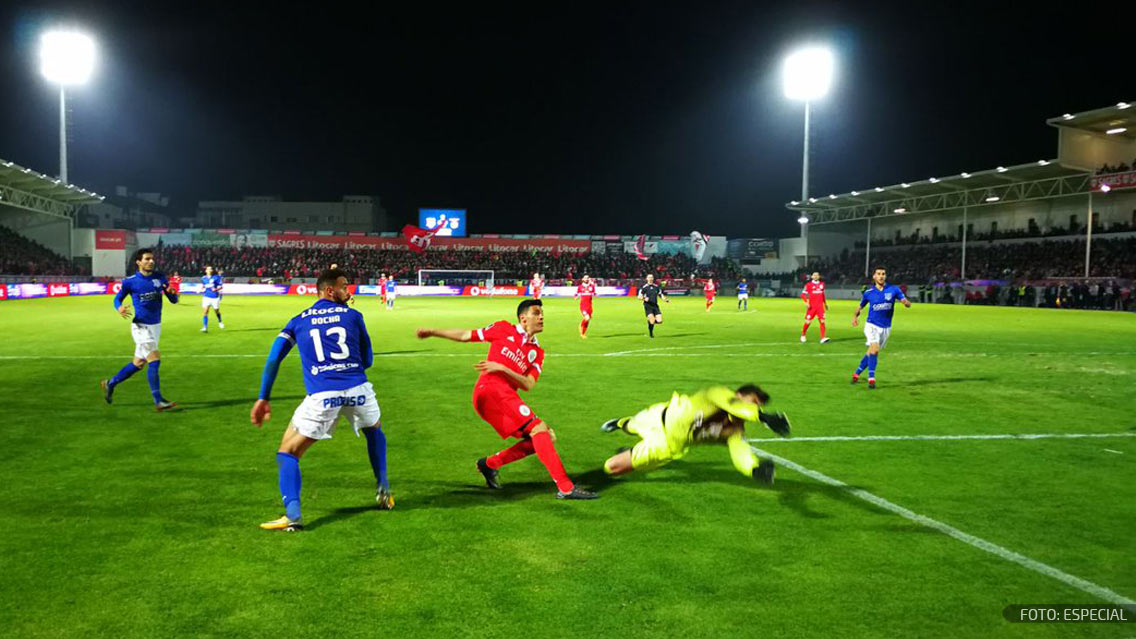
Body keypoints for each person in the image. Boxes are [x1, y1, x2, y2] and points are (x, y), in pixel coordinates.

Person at [252, 268, 391, 532]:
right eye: (344, 287)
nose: (348, 292)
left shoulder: (299, 320)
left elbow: (273, 359)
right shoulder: (353, 315)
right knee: (374, 429)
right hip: (359, 388)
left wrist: (263, 398)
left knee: (287, 452)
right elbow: (368, 360)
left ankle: (292, 515)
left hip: (323, 395)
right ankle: (383, 488)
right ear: (330, 291)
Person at [416, 300, 598, 500]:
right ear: (523, 318)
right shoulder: (502, 328)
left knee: (546, 436)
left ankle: (490, 464)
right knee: (538, 429)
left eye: (542, 313)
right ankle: (565, 487)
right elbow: (467, 335)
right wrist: (433, 331)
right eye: (536, 313)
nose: (541, 317)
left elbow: (528, 384)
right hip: (489, 390)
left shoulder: (537, 353)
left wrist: (503, 368)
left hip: (505, 396)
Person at [599, 385, 789, 483]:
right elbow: (734, 405)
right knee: (631, 425)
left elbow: (740, 451)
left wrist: (754, 470)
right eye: (753, 401)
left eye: (758, 406)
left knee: (612, 467)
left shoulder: (735, 428)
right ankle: (619, 422)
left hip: (665, 445)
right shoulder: (717, 394)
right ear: (739, 394)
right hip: (661, 414)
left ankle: (632, 455)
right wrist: (764, 417)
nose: (754, 406)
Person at [101, 248, 179, 411]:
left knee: (138, 363)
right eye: (147, 259)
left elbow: (173, 300)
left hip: (155, 326)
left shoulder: (160, 277)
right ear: (138, 262)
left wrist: (173, 294)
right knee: (155, 359)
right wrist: (119, 307)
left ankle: (111, 383)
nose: (151, 261)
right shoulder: (130, 281)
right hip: (140, 326)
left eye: (152, 259)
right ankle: (158, 401)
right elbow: (118, 298)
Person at [851, 267, 912, 389]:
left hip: (886, 327)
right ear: (874, 276)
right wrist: (855, 317)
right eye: (878, 274)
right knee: (875, 349)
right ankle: (871, 378)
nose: (881, 276)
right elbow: (860, 307)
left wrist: (906, 303)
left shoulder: (893, 289)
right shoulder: (868, 293)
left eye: (883, 274)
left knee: (871, 352)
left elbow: (904, 300)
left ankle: (856, 374)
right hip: (871, 325)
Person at [801, 271, 830, 344]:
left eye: (817, 275)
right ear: (812, 277)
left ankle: (823, 338)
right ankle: (803, 334)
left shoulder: (822, 284)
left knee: (822, 321)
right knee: (808, 322)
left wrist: (825, 304)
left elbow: (822, 294)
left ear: (819, 276)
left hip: (820, 307)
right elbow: (803, 294)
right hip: (812, 307)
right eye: (814, 275)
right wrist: (806, 302)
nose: (816, 276)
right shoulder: (808, 285)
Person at [201, 265, 224, 332]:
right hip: (206, 296)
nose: (210, 270)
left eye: (211, 269)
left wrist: (216, 289)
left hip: (214, 297)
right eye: (208, 269)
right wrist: (201, 289)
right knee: (205, 311)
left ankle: (220, 321)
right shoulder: (203, 278)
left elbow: (221, 286)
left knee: (216, 311)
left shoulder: (216, 277)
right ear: (206, 271)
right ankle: (205, 327)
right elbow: (203, 285)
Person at [575, 274, 596, 338]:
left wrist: (592, 286)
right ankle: (581, 328)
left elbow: (594, 294)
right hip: (583, 306)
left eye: (587, 278)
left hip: (589, 306)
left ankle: (583, 333)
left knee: (588, 320)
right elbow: (576, 294)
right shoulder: (580, 287)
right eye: (585, 278)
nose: (586, 279)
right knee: (587, 318)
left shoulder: (592, 286)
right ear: (583, 279)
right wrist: (576, 297)